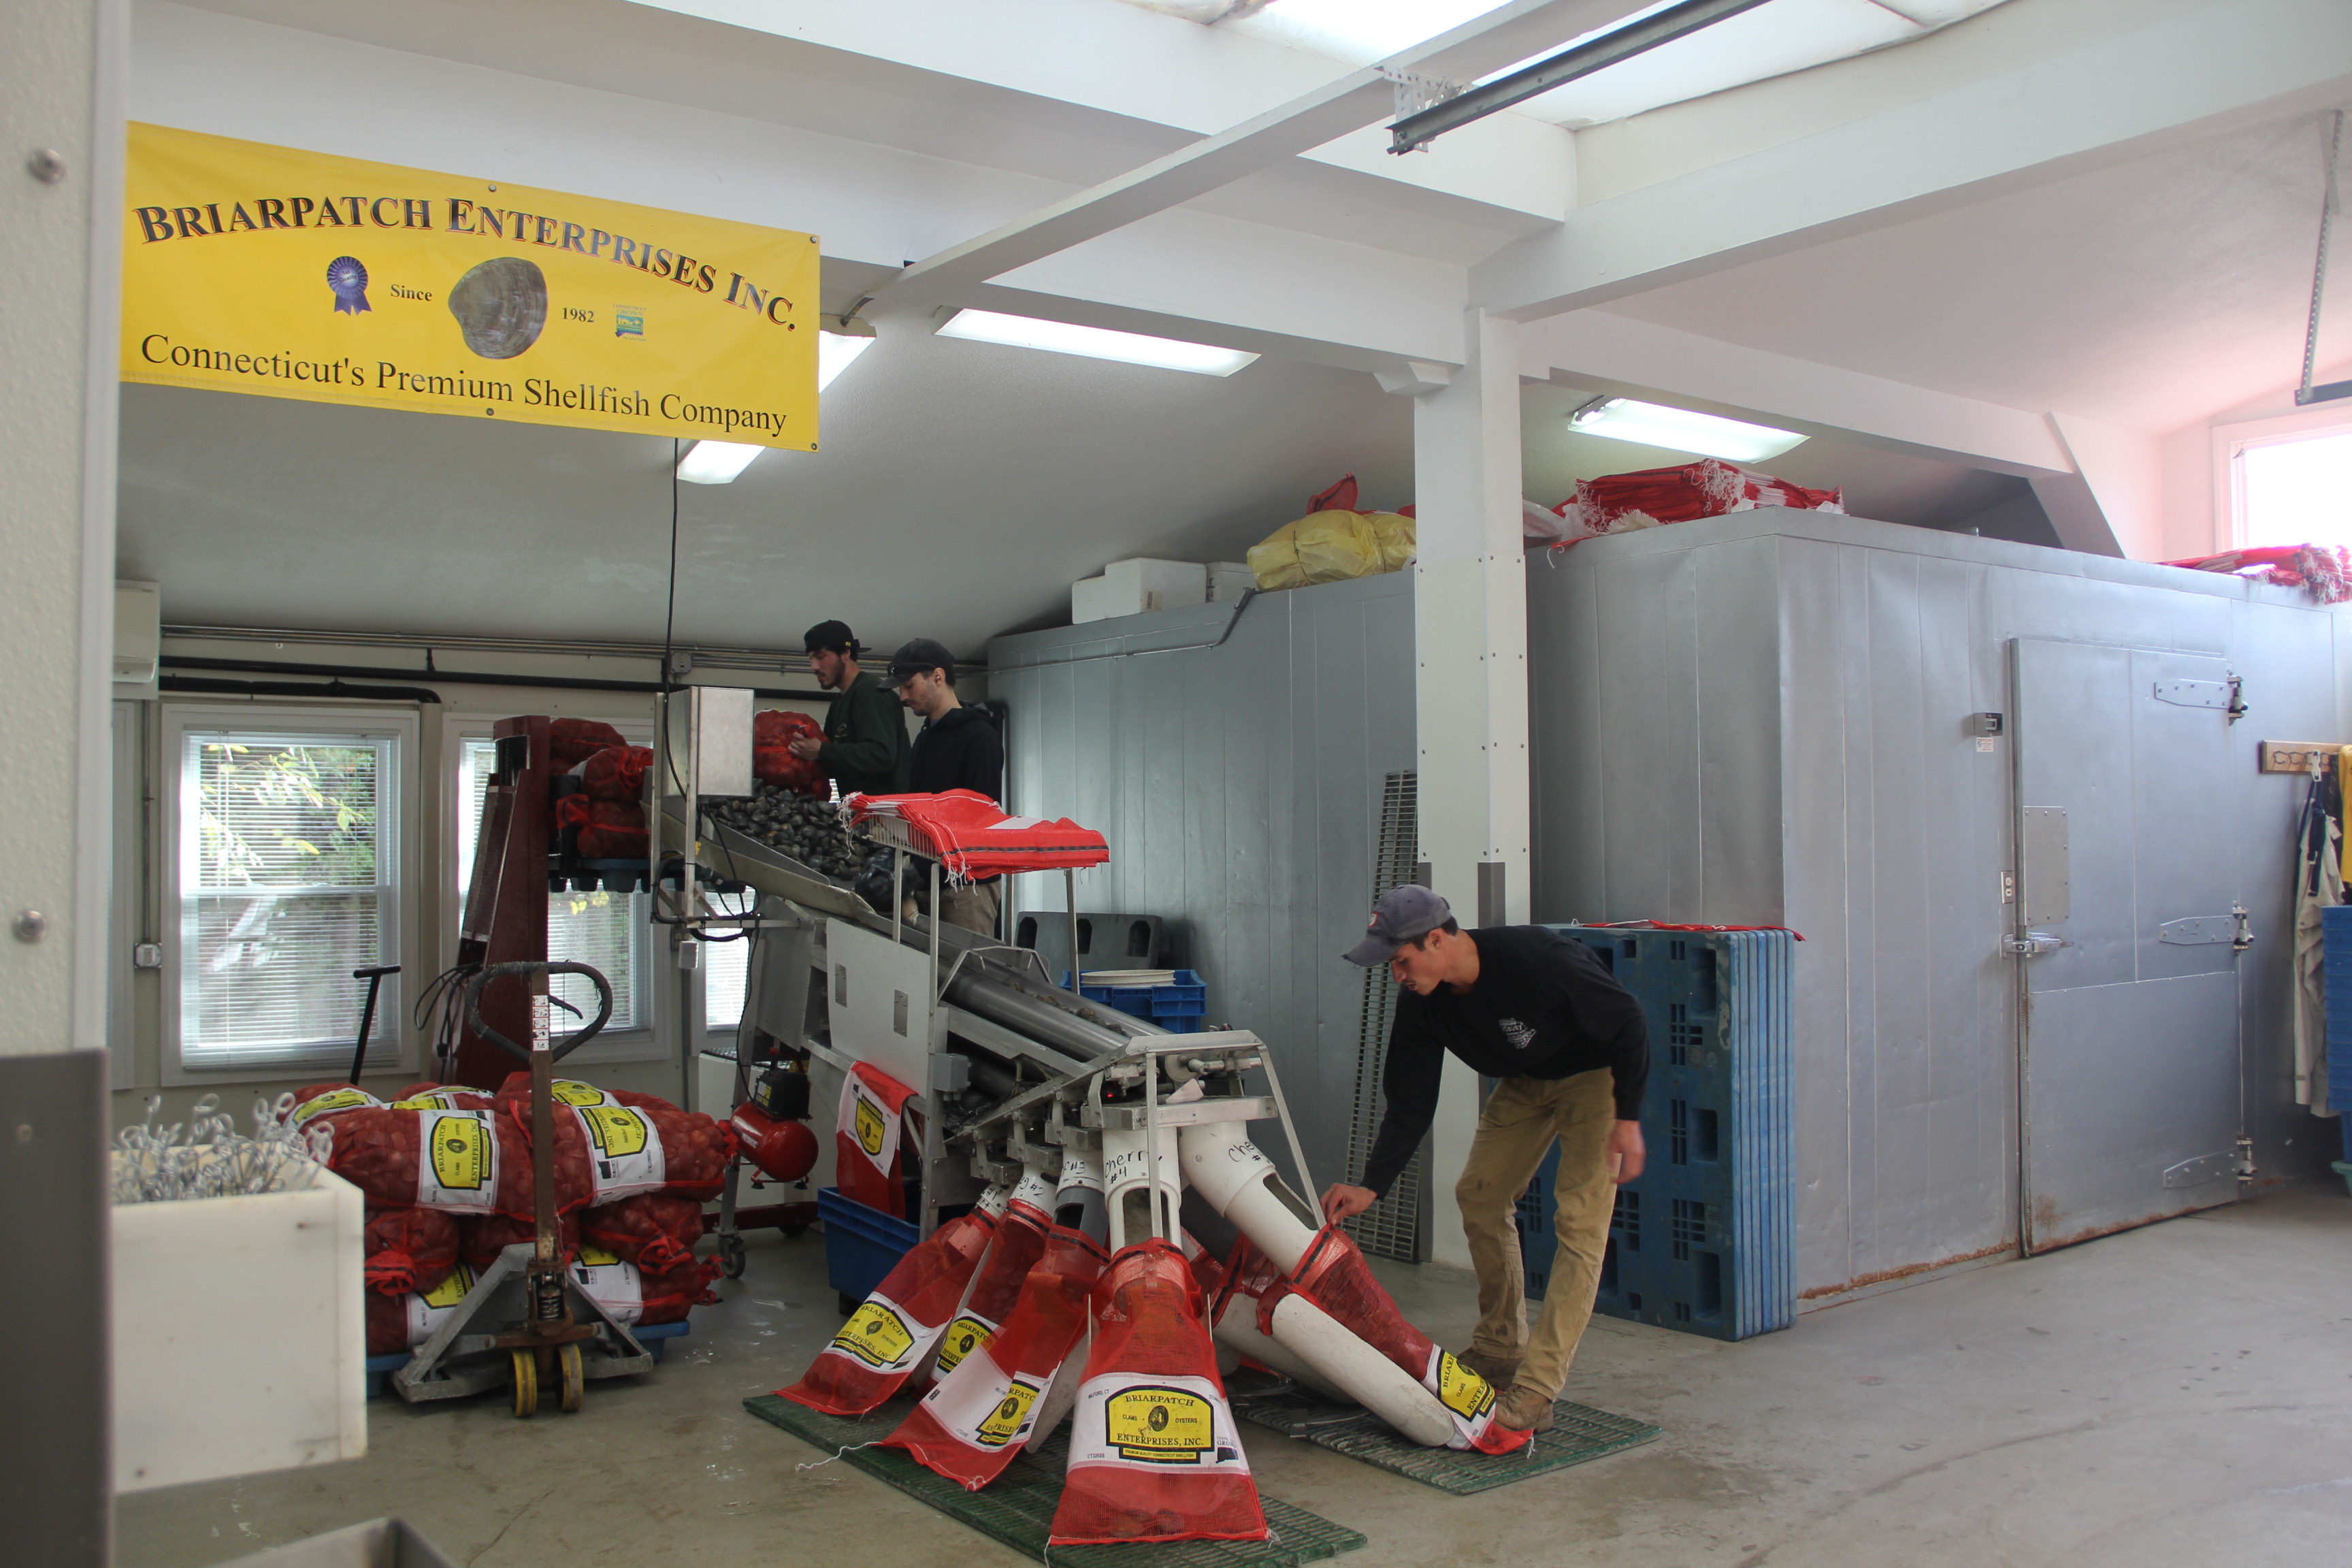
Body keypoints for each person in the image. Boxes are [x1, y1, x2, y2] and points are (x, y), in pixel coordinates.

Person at [1321, 885, 1648, 1435]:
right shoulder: (1422, 1003)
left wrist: (1629, 1117)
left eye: (1401, 961)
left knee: (1580, 1222)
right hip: (1526, 1083)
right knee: (1479, 1193)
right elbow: (1410, 1100)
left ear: (1437, 939)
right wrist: (1372, 1185)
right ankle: (1500, 1346)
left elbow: (1627, 1021)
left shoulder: (1537, 960)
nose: (1397, 974)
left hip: (1595, 1077)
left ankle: (1539, 1389)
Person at [887, 636, 1004, 936]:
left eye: (909, 686)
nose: (902, 696)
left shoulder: (979, 736)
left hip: (967, 887)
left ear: (937, 677)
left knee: (970, 976)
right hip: (929, 880)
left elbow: (981, 817)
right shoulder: (926, 737)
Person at [788, 620, 908, 799]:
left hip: (886, 818)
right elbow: (832, 761)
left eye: (820, 657)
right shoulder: (838, 704)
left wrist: (822, 751)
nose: (814, 666)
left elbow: (881, 756)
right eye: (811, 658)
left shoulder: (870, 692)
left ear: (845, 653)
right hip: (857, 816)